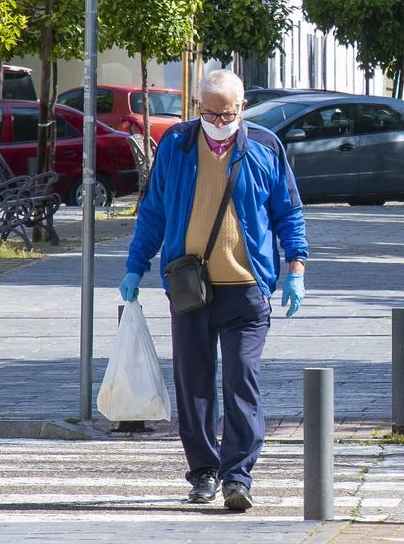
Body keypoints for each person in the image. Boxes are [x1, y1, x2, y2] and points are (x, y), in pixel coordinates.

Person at [118, 69, 308, 512]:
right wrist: (135, 266)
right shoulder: (178, 145)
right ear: (197, 108)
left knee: (242, 380)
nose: (220, 121)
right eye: (210, 112)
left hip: (246, 287)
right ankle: (203, 472)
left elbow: (288, 211)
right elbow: (154, 212)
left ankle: (237, 477)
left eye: (228, 113)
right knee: (194, 383)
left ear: (242, 108)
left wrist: (296, 266)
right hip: (189, 288)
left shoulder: (263, 146)